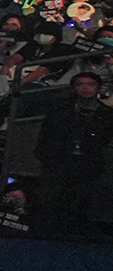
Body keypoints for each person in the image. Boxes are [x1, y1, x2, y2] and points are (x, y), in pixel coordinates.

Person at [35, 69, 110, 237]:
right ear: (73, 88)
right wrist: (47, 158)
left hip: (89, 166)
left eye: (90, 84)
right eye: (80, 84)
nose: (85, 88)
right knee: (52, 205)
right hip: (59, 163)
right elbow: (45, 136)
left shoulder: (107, 115)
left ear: (99, 88)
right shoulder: (60, 111)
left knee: (82, 206)